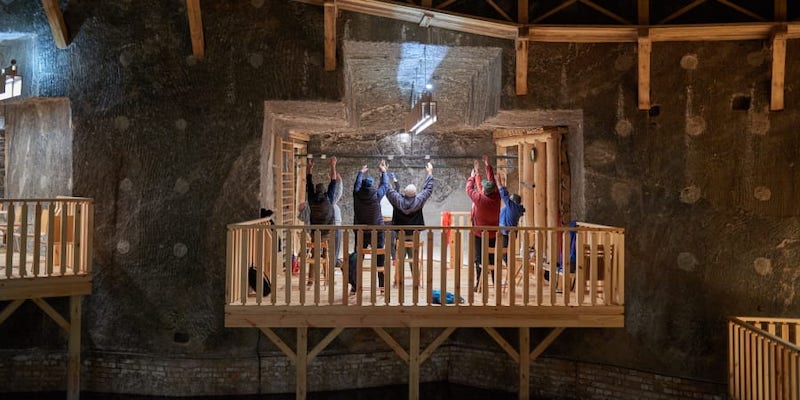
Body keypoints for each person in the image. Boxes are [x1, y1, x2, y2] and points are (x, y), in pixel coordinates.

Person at [386, 162, 434, 285]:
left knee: (400, 259)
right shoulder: (418, 201)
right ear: (414, 194)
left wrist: (384, 173)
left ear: (404, 193)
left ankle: (398, 280)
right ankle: (416, 281)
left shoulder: (398, 200)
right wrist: (429, 173)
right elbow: (428, 189)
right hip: (413, 236)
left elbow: (388, 189)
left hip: (400, 236)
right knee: (413, 259)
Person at [352, 159, 390, 293]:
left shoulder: (356, 194)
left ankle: (355, 286)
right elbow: (385, 185)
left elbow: (356, 184)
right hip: (377, 232)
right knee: (380, 258)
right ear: (372, 186)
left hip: (361, 232)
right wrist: (383, 171)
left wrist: (360, 172)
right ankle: (382, 287)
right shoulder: (376, 195)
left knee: (358, 258)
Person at [466, 155, 501, 291]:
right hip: (492, 234)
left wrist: (472, 176)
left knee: (478, 259)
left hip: (479, 233)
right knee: (492, 258)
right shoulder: (497, 197)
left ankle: (479, 285)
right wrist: (487, 166)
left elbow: (469, 189)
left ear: (485, 192)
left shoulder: (481, 199)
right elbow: (491, 182)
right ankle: (495, 283)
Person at [306, 156, 337, 245]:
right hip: (328, 233)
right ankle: (325, 255)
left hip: (315, 232)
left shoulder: (311, 198)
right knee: (327, 248)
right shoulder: (328, 198)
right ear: (324, 191)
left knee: (315, 246)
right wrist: (333, 165)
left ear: (316, 191)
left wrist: (309, 168)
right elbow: (334, 181)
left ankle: (314, 256)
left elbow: (309, 182)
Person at [497, 172, 525, 264]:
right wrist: (504, 184)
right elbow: (506, 196)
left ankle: (509, 267)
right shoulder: (517, 208)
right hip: (512, 231)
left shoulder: (512, 207)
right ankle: (510, 266)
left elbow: (504, 196)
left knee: (504, 252)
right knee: (509, 251)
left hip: (506, 231)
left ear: (513, 202)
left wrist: (499, 183)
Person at [332, 172, 344, 268]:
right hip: (335, 226)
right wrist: (340, 181)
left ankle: (333, 262)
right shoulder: (330, 201)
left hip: (332, 226)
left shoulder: (325, 201)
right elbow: (339, 193)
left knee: (335, 247)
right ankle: (332, 264)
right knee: (335, 247)